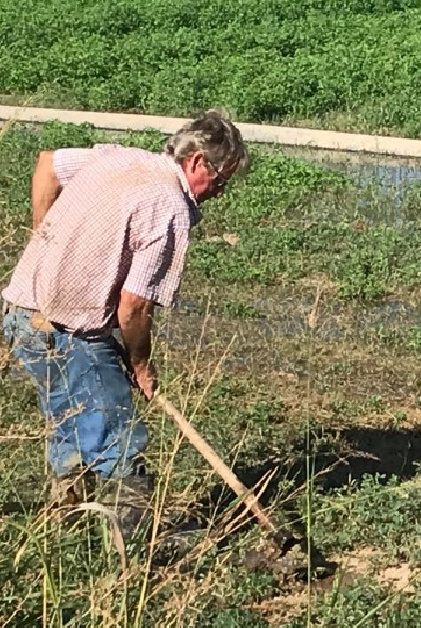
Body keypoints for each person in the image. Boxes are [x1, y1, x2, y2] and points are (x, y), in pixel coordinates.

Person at [1, 107, 248, 538]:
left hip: (21, 317)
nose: (220, 193)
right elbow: (132, 308)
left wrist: (42, 238)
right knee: (120, 440)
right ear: (196, 163)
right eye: (221, 180)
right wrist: (139, 364)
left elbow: (48, 164)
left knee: (70, 417)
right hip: (71, 334)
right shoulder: (169, 206)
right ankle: (137, 546)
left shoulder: (117, 157)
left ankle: (68, 523)